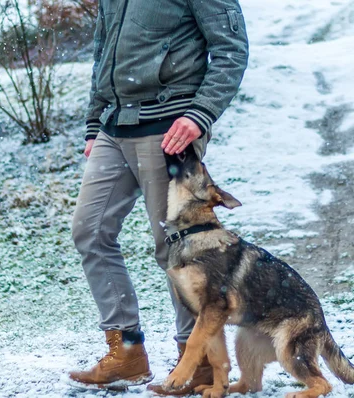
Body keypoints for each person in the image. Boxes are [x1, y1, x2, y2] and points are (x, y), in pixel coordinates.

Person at [67, 0, 248, 395]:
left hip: (169, 125)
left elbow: (232, 50)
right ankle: (126, 350)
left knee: (175, 247)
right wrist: (96, 121)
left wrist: (199, 114)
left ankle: (196, 360)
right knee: (89, 231)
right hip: (115, 125)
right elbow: (104, 51)